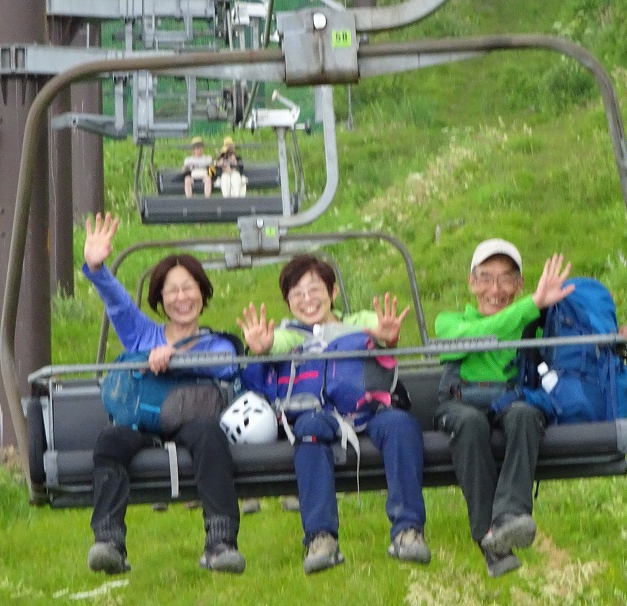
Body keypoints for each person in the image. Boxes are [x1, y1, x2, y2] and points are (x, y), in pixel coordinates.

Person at [434, 239, 627, 577]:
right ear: (472, 283)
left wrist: (623, 333)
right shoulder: (449, 322)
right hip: (461, 401)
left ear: (519, 284)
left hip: (510, 398)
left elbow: (578, 336)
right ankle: (488, 538)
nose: (495, 289)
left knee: (526, 414)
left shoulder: (532, 320)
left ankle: (511, 515)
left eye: (506, 279)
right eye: (486, 278)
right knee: (470, 425)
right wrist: (531, 304)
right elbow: (472, 337)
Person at [237, 254, 431, 574]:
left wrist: (386, 336)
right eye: (297, 294)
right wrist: (264, 346)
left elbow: (379, 330)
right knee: (308, 430)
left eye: (314, 290)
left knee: (401, 424)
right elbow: (275, 343)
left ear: (333, 292)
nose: (307, 300)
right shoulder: (290, 335)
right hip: (319, 415)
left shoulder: (357, 323)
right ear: (288, 302)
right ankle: (321, 537)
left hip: (368, 412)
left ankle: (408, 531)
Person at [82, 212, 246, 575]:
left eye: (189, 288)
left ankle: (221, 542)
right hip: (143, 423)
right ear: (160, 298)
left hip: (190, 421)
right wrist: (96, 268)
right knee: (110, 440)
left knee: (209, 434)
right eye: (172, 290)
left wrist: (176, 360)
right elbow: (119, 305)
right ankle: (108, 541)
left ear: (202, 294)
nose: (181, 297)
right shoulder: (143, 335)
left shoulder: (216, 343)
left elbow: (224, 366)